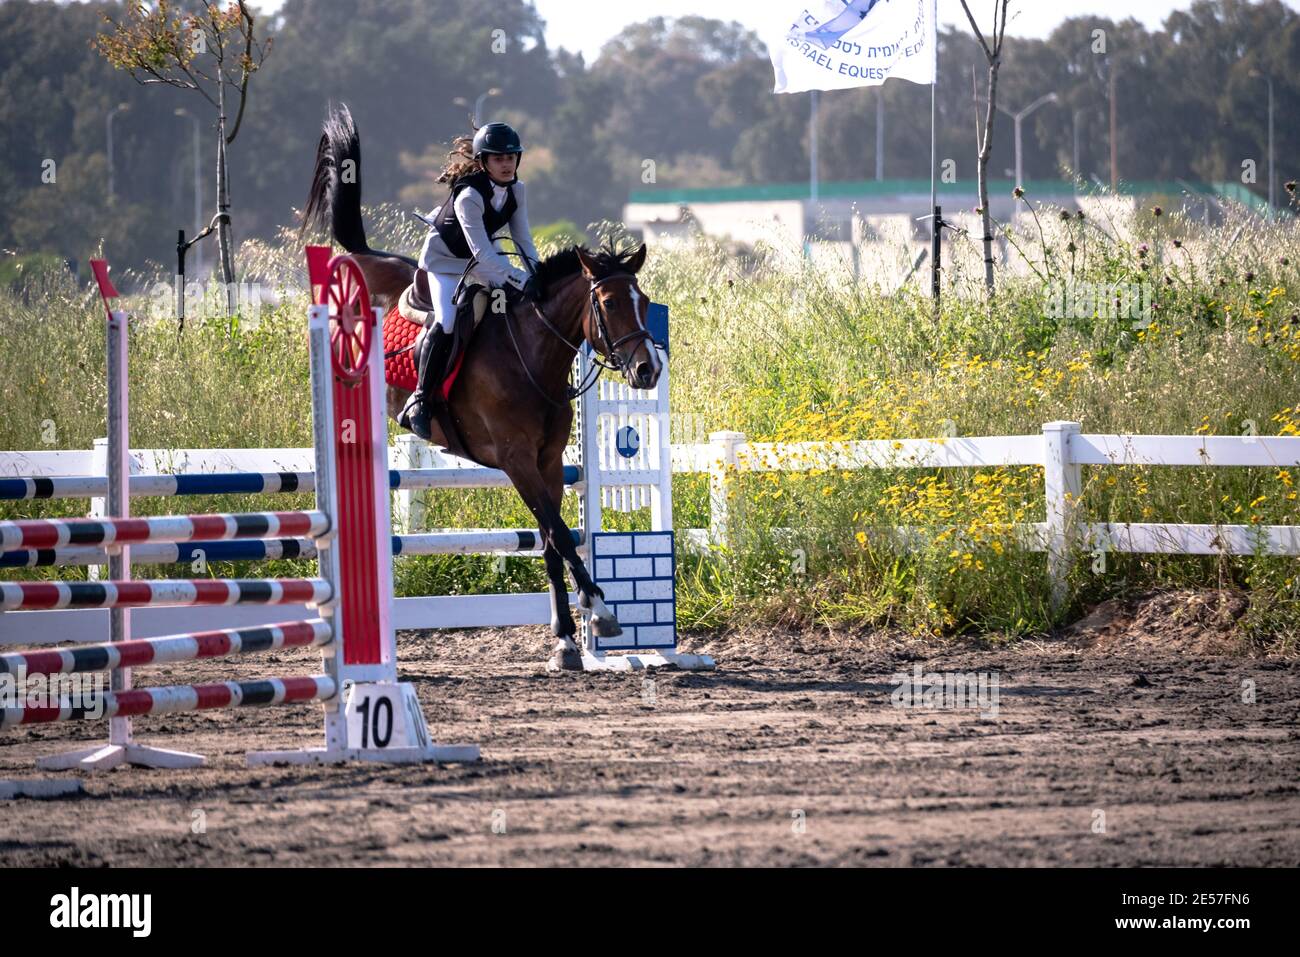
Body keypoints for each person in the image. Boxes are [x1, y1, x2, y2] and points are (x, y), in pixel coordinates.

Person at [400, 121, 542, 440]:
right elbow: (483, 255)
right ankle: (420, 399)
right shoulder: (469, 196)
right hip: (446, 262)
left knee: (518, 305)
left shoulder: (517, 190)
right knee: (448, 320)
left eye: (511, 157)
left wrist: (538, 276)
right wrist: (521, 280)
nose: (506, 164)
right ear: (483, 162)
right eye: (498, 158)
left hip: (482, 259)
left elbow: (523, 241)